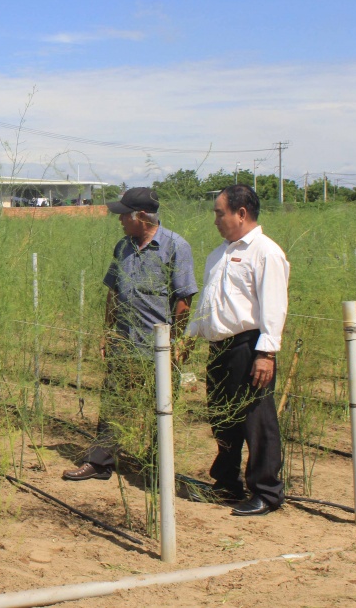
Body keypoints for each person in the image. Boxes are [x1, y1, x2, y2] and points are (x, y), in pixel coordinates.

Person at [63, 187, 197, 482]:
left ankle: (158, 467)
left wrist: (178, 341)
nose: (120, 220)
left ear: (142, 217)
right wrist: (106, 332)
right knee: (114, 401)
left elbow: (184, 301)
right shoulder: (122, 247)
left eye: (124, 215)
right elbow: (113, 292)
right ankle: (100, 463)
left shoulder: (175, 247)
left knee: (159, 406)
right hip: (124, 339)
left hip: (158, 346)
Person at [181, 184, 290, 516]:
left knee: (256, 421)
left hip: (249, 346)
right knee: (222, 419)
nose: (215, 219)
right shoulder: (218, 254)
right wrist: (189, 337)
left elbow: (274, 305)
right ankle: (226, 484)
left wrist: (266, 353)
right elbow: (208, 304)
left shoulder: (266, 252)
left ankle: (266, 492)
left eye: (219, 212)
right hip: (219, 348)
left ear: (240, 214)